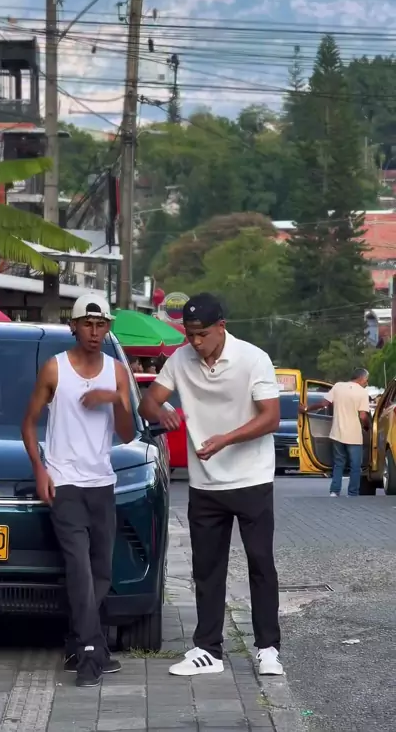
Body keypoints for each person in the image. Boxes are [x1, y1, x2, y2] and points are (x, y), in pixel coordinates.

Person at [139, 292, 283, 677]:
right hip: (205, 485)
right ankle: (208, 650)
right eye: (189, 334)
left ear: (221, 326)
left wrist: (225, 439)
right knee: (206, 569)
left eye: (202, 333)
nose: (195, 342)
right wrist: (162, 411)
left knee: (260, 563)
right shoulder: (180, 360)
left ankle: (268, 648)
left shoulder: (253, 359)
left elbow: (271, 417)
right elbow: (147, 403)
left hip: (251, 478)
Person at [21, 293, 134, 688]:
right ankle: (89, 655)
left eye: (101, 325)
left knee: (101, 572)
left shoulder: (116, 372)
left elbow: (127, 433)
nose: (94, 331)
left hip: (101, 483)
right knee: (80, 570)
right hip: (64, 482)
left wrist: (114, 398)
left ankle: (78, 643)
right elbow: (28, 422)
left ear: (108, 328)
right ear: (74, 326)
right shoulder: (56, 368)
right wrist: (40, 469)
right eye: (87, 324)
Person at [301, 367, 371, 497]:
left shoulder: (338, 386)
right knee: (355, 466)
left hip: (337, 433)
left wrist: (306, 408)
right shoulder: (362, 393)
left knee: (339, 463)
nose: (366, 383)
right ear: (361, 379)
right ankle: (352, 493)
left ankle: (334, 491)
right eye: (366, 380)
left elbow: (323, 403)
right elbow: (363, 416)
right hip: (354, 436)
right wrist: (368, 427)